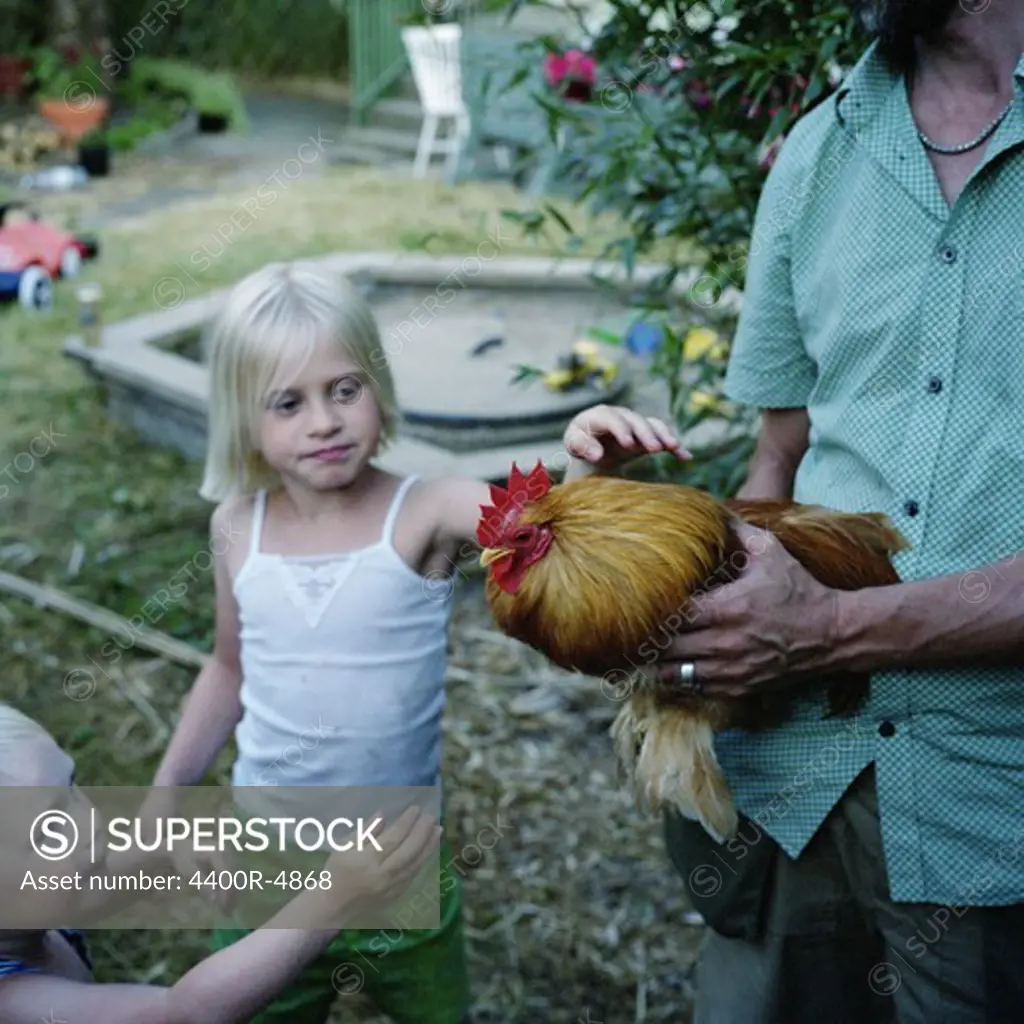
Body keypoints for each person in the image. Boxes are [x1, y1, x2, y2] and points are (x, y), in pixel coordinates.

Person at [146, 259, 687, 1024]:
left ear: (378, 387)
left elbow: (541, 541)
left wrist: (584, 470)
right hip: (267, 852)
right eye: (287, 402)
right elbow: (227, 668)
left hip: (400, 857)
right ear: (243, 418)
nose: (325, 421)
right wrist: (169, 791)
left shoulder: (427, 510)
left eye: (345, 389)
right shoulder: (237, 528)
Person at [650, 1, 1024, 1022]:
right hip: (795, 777)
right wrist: (693, 594)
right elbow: (783, 449)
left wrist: (821, 630)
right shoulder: (818, 154)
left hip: (991, 801)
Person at [0, 702, 440, 1023]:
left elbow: (90, 889)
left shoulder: (30, 902)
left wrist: (165, 851)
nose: (90, 819)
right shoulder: (16, 1003)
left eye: (73, 787)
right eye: (48, 831)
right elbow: (185, 1014)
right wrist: (332, 902)